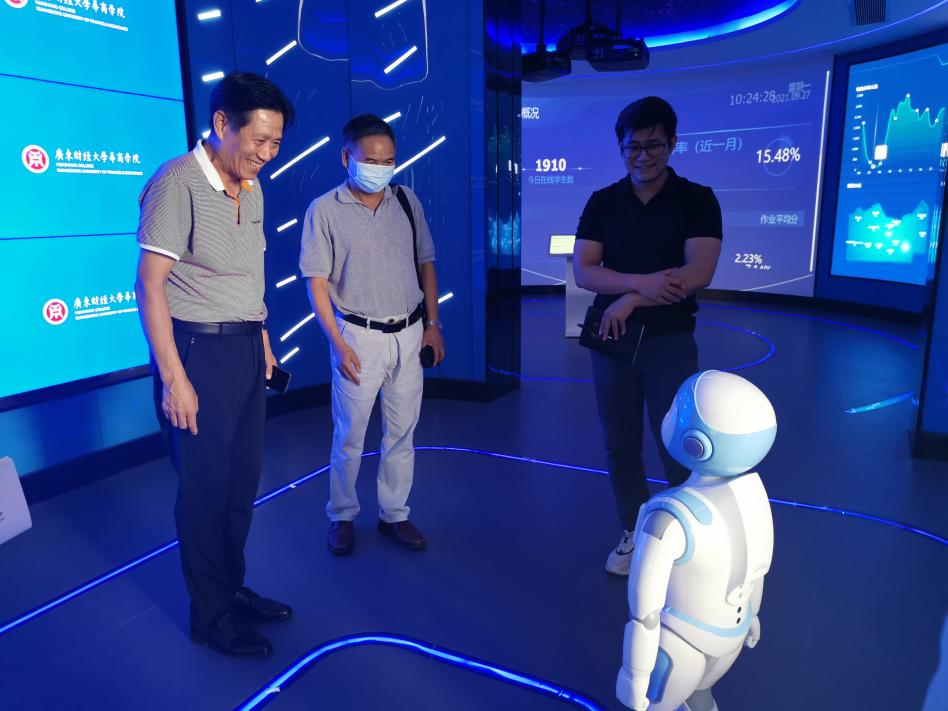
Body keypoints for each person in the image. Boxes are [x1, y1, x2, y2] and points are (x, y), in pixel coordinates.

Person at [135, 72, 295, 657]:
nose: (268, 154)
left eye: (276, 143)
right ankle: (209, 614)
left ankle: (229, 588)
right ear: (222, 123)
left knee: (240, 483)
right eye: (260, 140)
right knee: (203, 491)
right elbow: (149, 286)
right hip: (196, 352)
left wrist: (264, 341)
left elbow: (249, 277)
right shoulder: (177, 182)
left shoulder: (252, 188)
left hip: (246, 348)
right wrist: (174, 379)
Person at [573, 96, 723, 576]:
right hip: (612, 339)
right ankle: (634, 531)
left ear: (672, 143)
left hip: (669, 340)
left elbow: (698, 272)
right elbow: (584, 271)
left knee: (678, 444)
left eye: (653, 145)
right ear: (621, 147)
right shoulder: (602, 202)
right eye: (633, 146)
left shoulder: (698, 199)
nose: (643, 156)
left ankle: (687, 538)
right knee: (620, 444)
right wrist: (641, 285)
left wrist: (631, 299)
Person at [300, 114, 445, 557]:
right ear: (347, 158)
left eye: (388, 161)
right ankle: (342, 514)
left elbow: (426, 264)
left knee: (402, 432)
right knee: (350, 435)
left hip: (410, 331)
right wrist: (337, 342)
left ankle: (394, 513)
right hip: (357, 336)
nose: (380, 168)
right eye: (371, 160)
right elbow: (316, 283)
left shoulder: (406, 201)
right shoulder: (324, 210)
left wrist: (433, 325)